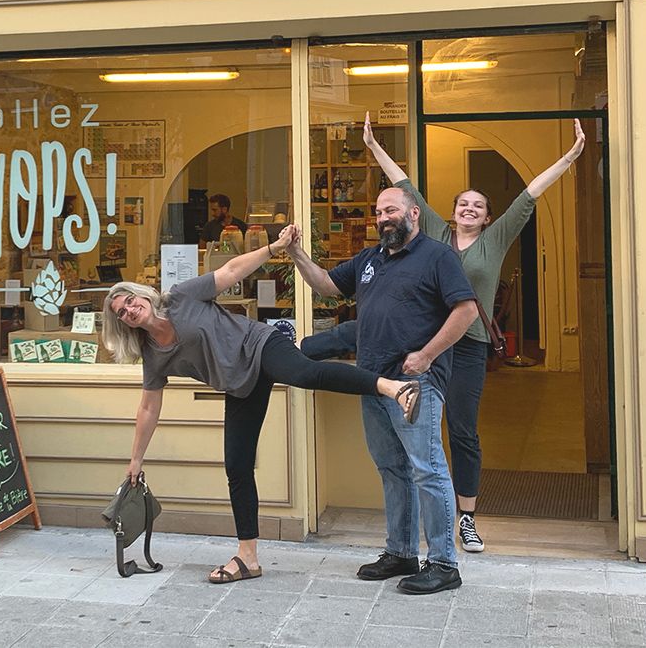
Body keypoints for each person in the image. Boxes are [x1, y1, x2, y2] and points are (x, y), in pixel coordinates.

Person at [103, 226, 421, 586]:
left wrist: (275, 247)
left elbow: (232, 271)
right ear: (122, 324)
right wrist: (135, 459)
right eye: (122, 312)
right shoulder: (152, 354)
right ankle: (248, 558)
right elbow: (148, 408)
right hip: (239, 385)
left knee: (304, 373)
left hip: (259, 346)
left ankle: (394, 388)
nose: (130, 310)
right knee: (237, 467)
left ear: (142, 296)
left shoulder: (179, 298)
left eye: (130, 300)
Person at [363, 113, 586, 553]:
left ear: (487, 219)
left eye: (478, 206)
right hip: (426, 346)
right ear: (451, 211)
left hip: (467, 349)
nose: (469, 209)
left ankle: (466, 518)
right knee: (416, 432)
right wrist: (372, 146)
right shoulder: (436, 232)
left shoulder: (496, 239)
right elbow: (405, 186)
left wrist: (570, 157)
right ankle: (416, 525)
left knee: (462, 431)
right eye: (463, 203)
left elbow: (530, 194)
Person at [287, 187, 477, 595]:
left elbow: (467, 310)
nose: (382, 218)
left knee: (428, 470)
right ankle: (402, 552)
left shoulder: (438, 256)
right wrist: (296, 253)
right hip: (373, 382)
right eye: (378, 212)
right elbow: (325, 285)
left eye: (390, 210)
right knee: (392, 469)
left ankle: (444, 563)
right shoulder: (370, 259)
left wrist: (427, 355)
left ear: (413, 213)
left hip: (414, 384)